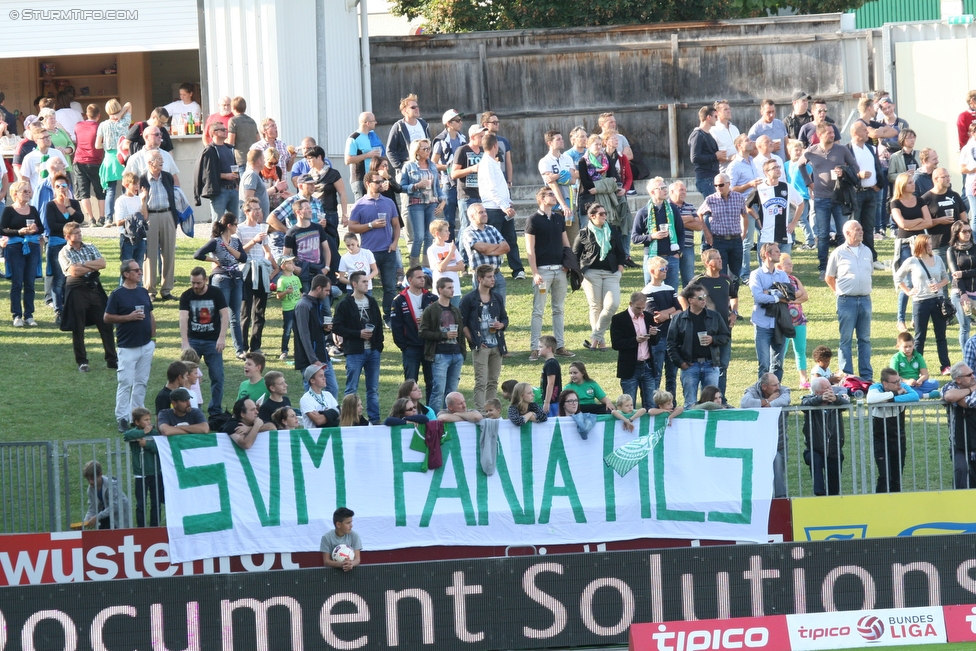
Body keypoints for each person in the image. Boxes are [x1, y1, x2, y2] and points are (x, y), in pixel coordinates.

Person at [799, 121, 859, 280]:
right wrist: (809, 183)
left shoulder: (842, 150)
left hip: (840, 197)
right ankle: (823, 268)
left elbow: (855, 167)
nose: (833, 135)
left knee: (842, 233)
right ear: (819, 135)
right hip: (820, 198)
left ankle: (841, 266)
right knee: (823, 234)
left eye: (833, 132)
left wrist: (844, 172)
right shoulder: (811, 151)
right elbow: (800, 166)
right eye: (829, 133)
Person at [57, 222, 117, 372]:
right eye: (75, 233)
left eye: (79, 232)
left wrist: (82, 264)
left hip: (94, 287)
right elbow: (74, 272)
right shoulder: (64, 252)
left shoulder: (90, 246)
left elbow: (102, 263)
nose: (79, 234)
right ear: (67, 237)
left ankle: (112, 359)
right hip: (76, 289)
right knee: (78, 327)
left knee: (105, 323)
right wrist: (91, 265)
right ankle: (82, 361)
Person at [104, 259, 155, 432]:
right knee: (125, 383)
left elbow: (150, 313)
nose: (140, 272)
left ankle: (138, 416)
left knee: (141, 382)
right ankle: (122, 418)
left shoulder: (142, 291)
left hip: (146, 345)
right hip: (127, 347)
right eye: (137, 270)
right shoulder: (117, 294)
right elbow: (107, 317)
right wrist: (128, 317)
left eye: (140, 270)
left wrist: (153, 336)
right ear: (126, 274)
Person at [894, 234, 951, 376]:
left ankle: (945, 366)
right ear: (921, 245)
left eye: (931, 243)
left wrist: (938, 285)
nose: (930, 246)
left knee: (941, 335)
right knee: (920, 336)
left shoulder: (937, 259)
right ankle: (917, 367)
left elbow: (946, 277)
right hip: (920, 302)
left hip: (937, 300)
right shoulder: (912, 261)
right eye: (927, 244)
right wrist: (907, 291)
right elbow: (898, 277)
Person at [526, 187, 573, 358]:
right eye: (551, 195)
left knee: (558, 309)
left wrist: (568, 264)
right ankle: (534, 347)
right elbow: (530, 249)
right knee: (538, 310)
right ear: (541, 199)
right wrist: (535, 272)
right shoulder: (533, 220)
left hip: (559, 270)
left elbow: (565, 243)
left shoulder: (558, 218)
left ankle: (559, 346)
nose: (554, 197)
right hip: (543, 272)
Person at [347, 171, 400, 321]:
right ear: (367, 184)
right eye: (377, 182)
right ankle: (365, 315)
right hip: (368, 253)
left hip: (388, 251)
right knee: (366, 285)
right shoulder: (360, 204)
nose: (381, 184)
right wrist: (371, 225)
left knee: (390, 287)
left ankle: (387, 316)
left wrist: (395, 242)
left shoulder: (389, 202)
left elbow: (396, 225)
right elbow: (352, 227)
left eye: (382, 181)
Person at [686, 249, 739, 401]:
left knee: (723, 365)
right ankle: (703, 400)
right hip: (705, 331)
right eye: (716, 258)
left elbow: (734, 296)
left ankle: (720, 400)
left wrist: (734, 313)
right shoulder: (699, 280)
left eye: (720, 257)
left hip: (724, 330)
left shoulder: (726, 279)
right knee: (709, 367)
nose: (721, 260)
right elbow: (684, 296)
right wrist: (688, 314)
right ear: (707, 263)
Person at [826, 220, 874, 381]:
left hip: (865, 300)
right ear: (848, 233)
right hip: (846, 301)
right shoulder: (838, 253)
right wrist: (838, 292)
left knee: (865, 339)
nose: (861, 231)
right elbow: (829, 277)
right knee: (845, 339)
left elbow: (869, 273)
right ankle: (848, 375)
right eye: (857, 229)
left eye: (861, 229)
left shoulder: (867, 251)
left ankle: (866, 375)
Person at [333, 271, 384, 424]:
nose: (367, 284)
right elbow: (337, 327)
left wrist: (378, 345)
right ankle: (349, 419)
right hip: (355, 351)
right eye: (363, 282)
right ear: (354, 284)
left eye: (367, 282)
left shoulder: (372, 301)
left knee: (373, 389)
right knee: (351, 388)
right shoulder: (345, 304)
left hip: (373, 350)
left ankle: (375, 420)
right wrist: (358, 334)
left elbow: (379, 325)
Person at [668, 282, 730, 407]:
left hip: (710, 364)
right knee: (690, 403)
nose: (704, 300)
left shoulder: (714, 316)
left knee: (712, 403)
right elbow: (671, 344)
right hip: (690, 365)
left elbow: (725, 336)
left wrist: (713, 339)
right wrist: (681, 363)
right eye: (700, 297)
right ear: (690, 300)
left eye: (705, 296)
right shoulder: (679, 319)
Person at [179, 267, 230, 416]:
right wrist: (185, 342)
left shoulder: (216, 293)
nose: (195, 286)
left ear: (206, 280)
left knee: (217, 376)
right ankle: (190, 407)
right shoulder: (186, 295)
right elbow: (183, 318)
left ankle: (215, 410)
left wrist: (221, 338)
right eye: (193, 283)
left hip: (212, 341)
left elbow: (225, 315)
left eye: (198, 283)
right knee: (185, 376)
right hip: (193, 340)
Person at [575, 203, 626, 351]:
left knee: (612, 305)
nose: (604, 216)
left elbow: (621, 253)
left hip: (611, 273)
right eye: (601, 214)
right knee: (596, 307)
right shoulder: (584, 233)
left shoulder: (612, 230)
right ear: (592, 216)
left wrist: (619, 272)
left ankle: (595, 337)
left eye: (605, 213)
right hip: (591, 273)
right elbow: (575, 254)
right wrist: (580, 273)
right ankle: (601, 342)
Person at [194, 213, 246, 359]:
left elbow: (243, 258)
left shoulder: (235, 241)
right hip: (221, 279)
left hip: (235, 278)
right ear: (229, 225)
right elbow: (197, 254)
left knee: (235, 315)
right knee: (218, 314)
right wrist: (213, 260)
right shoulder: (215, 242)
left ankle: (239, 350)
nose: (237, 227)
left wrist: (229, 248)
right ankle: (213, 346)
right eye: (236, 224)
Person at [460, 264, 508, 411]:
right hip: (481, 347)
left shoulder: (497, 297)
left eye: (493, 276)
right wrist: (475, 342)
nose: (493, 279)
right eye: (489, 277)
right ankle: (480, 411)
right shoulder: (469, 299)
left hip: (496, 345)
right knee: (481, 381)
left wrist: (502, 325)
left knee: (493, 381)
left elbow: (505, 318)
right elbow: (462, 324)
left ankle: (491, 411)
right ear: (480, 279)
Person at [890, 172, 933, 332]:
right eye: (909, 183)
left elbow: (928, 221)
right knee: (907, 283)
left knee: (921, 280)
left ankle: (916, 317)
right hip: (905, 244)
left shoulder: (920, 200)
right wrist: (918, 221)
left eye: (913, 182)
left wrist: (912, 224)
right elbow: (902, 224)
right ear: (902, 185)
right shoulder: (895, 203)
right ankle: (900, 319)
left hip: (921, 243)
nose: (913, 184)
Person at [479, 134, 525, 281]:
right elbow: (492, 189)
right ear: (495, 146)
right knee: (493, 242)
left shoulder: (493, 162)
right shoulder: (486, 163)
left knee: (511, 239)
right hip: (493, 208)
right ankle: (492, 269)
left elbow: (501, 187)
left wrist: (508, 201)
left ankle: (517, 269)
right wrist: (504, 205)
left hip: (502, 206)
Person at [866, 368, 918, 493]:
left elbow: (915, 396)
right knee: (884, 476)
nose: (899, 384)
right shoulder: (875, 387)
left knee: (896, 476)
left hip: (899, 439)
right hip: (880, 440)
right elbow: (870, 399)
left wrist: (891, 400)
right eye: (895, 382)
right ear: (885, 384)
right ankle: (880, 504)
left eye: (899, 380)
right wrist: (896, 394)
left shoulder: (902, 386)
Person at [420, 277, 467, 413]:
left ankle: (450, 419)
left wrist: (462, 352)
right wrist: (443, 335)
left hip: (456, 354)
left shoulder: (456, 310)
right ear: (440, 290)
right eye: (449, 288)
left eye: (453, 287)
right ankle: (433, 420)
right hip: (440, 354)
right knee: (438, 391)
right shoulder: (431, 310)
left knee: (452, 392)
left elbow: (461, 333)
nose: (452, 290)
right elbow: (423, 332)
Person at [740, 373, 791, 498]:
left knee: (779, 469)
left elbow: (785, 399)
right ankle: (778, 497)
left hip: (779, 442)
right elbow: (745, 403)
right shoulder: (752, 391)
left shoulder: (783, 390)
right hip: (760, 443)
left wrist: (767, 406)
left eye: (778, 383)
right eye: (774, 385)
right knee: (765, 471)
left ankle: (778, 499)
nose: (778, 387)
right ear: (764, 386)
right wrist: (767, 401)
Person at [236, 198, 276, 353]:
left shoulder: (262, 228)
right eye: (254, 209)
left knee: (260, 311)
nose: (258, 212)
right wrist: (254, 240)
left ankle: (256, 346)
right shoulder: (239, 229)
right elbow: (239, 253)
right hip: (246, 271)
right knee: (245, 311)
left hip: (260, 270)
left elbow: (267, 251)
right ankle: (243, 346)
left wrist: (269, 264)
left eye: (259, 208)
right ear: (246, 212)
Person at [140, 150, 180, 302]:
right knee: (149, 254)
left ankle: (167, 289)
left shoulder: (167, 177)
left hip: (167, 214)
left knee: (169, 252)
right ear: (150, 163)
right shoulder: (143, 179)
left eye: (162, 159)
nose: (162, 161)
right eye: (158, 159)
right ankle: (150, 290)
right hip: (150, 216)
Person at [391, 266, 437, 399]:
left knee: (432, 382)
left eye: (423, 277)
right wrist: (404, 345)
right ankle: (409, 411)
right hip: (410, 347)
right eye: (419, 277)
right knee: (410, 384)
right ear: (410, 280)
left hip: (429, 346)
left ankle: (431, 414)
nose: (423, 279)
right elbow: (396, 326)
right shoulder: (399, 300)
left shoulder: (432, 298)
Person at [43, 174, 83, 323]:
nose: (61, 189)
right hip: (56, 245)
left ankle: (70, 307)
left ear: (68, 187)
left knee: (71, 279)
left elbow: (79, 220)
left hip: (73, 246)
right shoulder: (50, 205)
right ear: (54, 188)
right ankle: (59, 311)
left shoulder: (73, 203)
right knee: (59, 279)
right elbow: (52, 226)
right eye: (58, 186)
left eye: (64, 186)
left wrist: (68, 207)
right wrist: (70, 229)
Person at [610, 292, 660, 410]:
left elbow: (655, 342)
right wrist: (635, 340)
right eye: (638, 308)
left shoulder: (648, 316)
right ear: (630, 303)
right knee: (628, 404)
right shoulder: (619, 319)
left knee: (651, 403)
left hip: (647, 365)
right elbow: (616, 344)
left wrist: (654, 334)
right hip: (630, 367)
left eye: (643, 308)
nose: (641, 311)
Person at [399, 139, 445, 268]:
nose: (428, 151)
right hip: (416, 203)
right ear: (417, 151)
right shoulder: (409, 166)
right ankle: (414, 267)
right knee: (418, 236)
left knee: (429, 236)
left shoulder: (433, 165)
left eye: (429, 148)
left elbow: (438, 187)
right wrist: (416, 185)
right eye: (425, 149)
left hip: (432, 203)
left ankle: (426, 266)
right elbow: (402, 187)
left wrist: (443, 201)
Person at [846, 122, 886, 269]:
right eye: (864, 130)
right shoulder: (847, 150)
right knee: (854, 227)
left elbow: (877, 167)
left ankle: (871, 258)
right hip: (856, 193)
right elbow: (844, 172)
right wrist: (858, 175)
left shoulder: (871, 148)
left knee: (869, 228)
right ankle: (853, 257)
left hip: (871, 193)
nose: (867, 132)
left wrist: (877, 185)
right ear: (855, 133)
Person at [632, 177, 685, 288]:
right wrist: (652, 236)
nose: (665, 190)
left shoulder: (672, 209)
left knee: (672, 291)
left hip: (671, 257)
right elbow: (635, 238)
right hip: (652, 258)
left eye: (665, 187)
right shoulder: (643, 212)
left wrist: (678, 252)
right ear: (652, 192)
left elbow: (681, 232)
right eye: (661, 188)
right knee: (651, 291)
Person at [749, 242, 791, 381]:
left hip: (779, 323)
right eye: (776, 251)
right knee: (764, 364)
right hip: (762, 324)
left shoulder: (782, 275)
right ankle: (763, 394)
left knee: (778, 364)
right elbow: (759, 297)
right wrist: (777, 296)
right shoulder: (756, 274)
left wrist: (770, 292)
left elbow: (789, 295)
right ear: (767, 254)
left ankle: (776, 393)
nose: (780, 253)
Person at [801, 377, 849, 497]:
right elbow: (804, 404)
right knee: (815, 460)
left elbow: (846, 404)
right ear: (817, 392)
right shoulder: (809, 399)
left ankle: (833, 501)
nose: (830, 389)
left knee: (834, 488)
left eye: (830, 386)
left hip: (834, 450)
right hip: (815, 449)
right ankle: (819, 493)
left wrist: (836, 399)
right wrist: (820, 399)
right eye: (826, 388)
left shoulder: (836, 400)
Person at [293, 274, 338, 398]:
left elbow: (314, 331)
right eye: (327, 290)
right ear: (319, 288)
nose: (328, 293)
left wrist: (325, 329)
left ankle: (329, 416)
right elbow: (304, 335)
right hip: (310, 360)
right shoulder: (303, 305)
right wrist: (313, 360)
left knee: (332, 389)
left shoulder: (317, 303)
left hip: (322, 356)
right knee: (313, 395)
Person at [697, 173, 749, 278]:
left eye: (721, 185)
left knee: (735, 274)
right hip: (719, 240)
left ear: (728, 184)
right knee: (721, 273)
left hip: (736, 240)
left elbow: (744, 215)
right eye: (715, 185)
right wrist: (707, 233)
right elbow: (699, 214)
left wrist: (743, 233)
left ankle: (733, 294)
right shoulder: (710, 199)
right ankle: (723, 294)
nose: (718, 187)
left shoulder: (738, 197)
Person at [643, 256, 680, 396]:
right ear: (652, 271)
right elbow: (656, 317)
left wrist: (669, 314)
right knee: (656, 375)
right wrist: (672, 311)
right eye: (662, 269)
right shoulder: (647, 291)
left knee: (672, 376)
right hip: (658, 338)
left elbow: (681, 310)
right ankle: (657, 403)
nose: (666, 271)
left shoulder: (670, 289)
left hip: (673, 338)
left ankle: (671, 402)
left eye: (666, 269)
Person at [750, 159, 803, 256]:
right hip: (766, 236)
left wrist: (794, 222)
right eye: (774, 168)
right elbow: (747, 206)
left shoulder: (787, 187)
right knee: (766, 268)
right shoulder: (760, 188)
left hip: (784, 234)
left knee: (783, 267)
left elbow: (801, 203)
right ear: (766, 172)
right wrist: (757, 218)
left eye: (778, 167)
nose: (778, 169)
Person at [460, 203, 509, 304]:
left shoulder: (492, 229)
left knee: (500, 310)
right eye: (480, 212)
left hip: (497, 274)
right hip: (480, 277)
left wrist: (488, 249)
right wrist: (497, 246)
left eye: (485, 212)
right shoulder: (468, 232)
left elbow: (506, 247)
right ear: (472, 216)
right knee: (482, 309)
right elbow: (481, 248)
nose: (485, 214)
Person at [123, 407, 163, 527]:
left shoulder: (155, 433)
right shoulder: (135, 433)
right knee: (141, 503)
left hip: (156, 472)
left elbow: (160, 449)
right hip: (140, 473)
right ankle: (141, 528)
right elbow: (126, 435)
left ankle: (155, 526)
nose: (149, 422)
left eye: (149, 419)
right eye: (145, 420)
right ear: (137, 422)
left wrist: (147, 445)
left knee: (156, 502)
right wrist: (143, 433)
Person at [282, 197, 331, 294]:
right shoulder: (291, 233)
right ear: (298, 212)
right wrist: (296, 269)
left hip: (319, 270)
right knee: (307, 300)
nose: (310, 210)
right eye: (306, 208)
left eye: (310, 208)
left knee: (325, 304)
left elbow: (326, 249)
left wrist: (327, 268)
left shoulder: (318, 228)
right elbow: (285, 256)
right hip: (303, 272)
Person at [775, 254, 810, 389]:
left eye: (791, 263)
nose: (791, 266)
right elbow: (782, 297)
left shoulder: (794, 279)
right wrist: (795, 296)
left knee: (800, 349)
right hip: (784, 321)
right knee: (781, 350)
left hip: (799, 320)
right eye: (788, 264)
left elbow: (805, 295)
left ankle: (803, 379)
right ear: (779, 266)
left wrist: (792, 300)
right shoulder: (778, 280)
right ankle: (777, 379)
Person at [538, 129, 579, 242]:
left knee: (573, 238)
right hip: (554, 204)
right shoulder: (544, 161)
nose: (562, 141)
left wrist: (556, 176)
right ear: (549, 143)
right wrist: (563, 205)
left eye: (562, 139)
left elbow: (573, 180)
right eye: (558, 139)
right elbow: (552, 185)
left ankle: (572, 259)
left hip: (570, 201)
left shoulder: (568, 159)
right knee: (556, 239)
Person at [194, 121, 239, 221]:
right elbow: (207, 173)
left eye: (226, 129)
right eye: (222, 130)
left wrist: (237, 185)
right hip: (220, 191)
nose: (225, 132)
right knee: (217, 222)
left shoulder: (229, 148)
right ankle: (215, 237)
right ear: (214, 132)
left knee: (235, 222)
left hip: (233, 189)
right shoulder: (210, 150)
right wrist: (225, 176)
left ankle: (233, 237)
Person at [922, 167, 968, 265]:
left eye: (948, 176)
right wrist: (939, 221)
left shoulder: (955, 195)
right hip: (938, 244)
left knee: (958, 275)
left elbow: (964, 218)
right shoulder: (926, 199)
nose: (948, 179)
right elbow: (923, 223)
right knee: (940, 276)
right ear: (935, 179)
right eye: (944, 177)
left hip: (957, 243)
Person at [940, 362, 976, 489]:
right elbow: (949, 396)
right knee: (961, 475)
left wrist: (960, 396)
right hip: (959, 444)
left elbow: (970, 403)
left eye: (972, 373)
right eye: (969, 375)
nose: (973, 376)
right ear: (958, 380)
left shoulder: (957, 387)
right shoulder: (949, 386)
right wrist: (971, 390)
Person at [430, 109, 465, 239]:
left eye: (460, 120)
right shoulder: (441, 141)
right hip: (448, 184)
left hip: (462, 183)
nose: (460, 122)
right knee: (449, 220)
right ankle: (449, 247)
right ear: (448, 123)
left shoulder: (463, 139)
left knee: (465, 219)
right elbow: (432, 164)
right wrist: (450, 167)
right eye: (457, 120)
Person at [72, 104, 106, 226]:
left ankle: (91, 218)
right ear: (99, 115)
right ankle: (102, 217)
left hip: (79, 161)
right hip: (96, 161)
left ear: (86, 114)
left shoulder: (78, 125)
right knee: (100, 191)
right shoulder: (100, 126)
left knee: (83, 192)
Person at [451, 124, 487, 240]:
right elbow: (454, 174)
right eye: (481, 136)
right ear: (472, 137)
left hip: (481, 193)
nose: (483, 138)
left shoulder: (484, 151)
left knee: (480, 225)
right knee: (466, 226)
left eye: (484, 136)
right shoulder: (462, 150)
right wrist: (471, 169)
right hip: (466, 194)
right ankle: (461, 255)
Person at [346, 111, 386, 200]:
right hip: (360, 179)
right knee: (363, 206)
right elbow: (348, 160)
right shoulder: (354, 138)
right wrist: (367, 155)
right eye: (374, 121)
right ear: (368, 123)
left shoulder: (373, 136)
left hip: (374, 178)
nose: (376, 122)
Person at [688, 105, 726, 198]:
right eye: (715, 116)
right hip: (705, 178)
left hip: (713, 177)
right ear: (708, 117)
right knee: (712, 208)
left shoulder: (708, 134)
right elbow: (695, 157)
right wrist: (715, 156)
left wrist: (719, 157)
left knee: (716, 207)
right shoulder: (698, 135)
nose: (717, 119)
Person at [890, 331, 941, 399]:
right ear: (898, 347)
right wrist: (907, 381)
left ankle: (915, 393)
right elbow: (894, 378)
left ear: (913, 345)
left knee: (935, 383)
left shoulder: (918, 356)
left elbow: (925, 374)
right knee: (899, 388)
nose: (908, 349)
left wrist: (920, 380)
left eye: (910, 346)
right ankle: (925, 395)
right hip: (902, 383)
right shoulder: (895, 358)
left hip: (916, 383)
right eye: (905, 347)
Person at [949, 221, 976, 347]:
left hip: (974, 291)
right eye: (964, 231)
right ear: (957, 233)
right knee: (965, 326)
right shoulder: (952, 251)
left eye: (969, 231)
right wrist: (963, 294)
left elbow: (960, 274)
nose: (967, 234)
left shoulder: (975, 248)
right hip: (959, 292)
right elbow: (955, 275)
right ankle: (967, 357)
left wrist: (963, 273)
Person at [670, 180, 702, 287]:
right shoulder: (666, 207)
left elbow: (699, 226)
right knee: (671, 278)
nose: (684, 192)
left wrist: (677, 221)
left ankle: (688, 302)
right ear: (672, 192)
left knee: (689, 280)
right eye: (681, 190)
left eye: (685, 190)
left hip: (688, 247)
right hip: (670, 248)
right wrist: (690, 218)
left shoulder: (690, 207)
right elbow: (669, 223)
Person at [427, 219, 465, 307]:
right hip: (440, 290)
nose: (449, 233)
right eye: (446, 231)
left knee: (455, 314)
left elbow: (461, 266)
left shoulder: (450, 246)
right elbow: (440, 268)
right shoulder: (432, 249)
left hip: (455, 289)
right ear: (437, 234)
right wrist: (451, 253)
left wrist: (446, 268)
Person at [83, 461, 130, 530]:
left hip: (119, 515)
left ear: (100, 475)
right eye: (88, 479)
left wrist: (97, 517)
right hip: (104, 515)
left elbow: (114, 507)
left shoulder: (111, 486)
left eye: (93, 479)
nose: (90, 482)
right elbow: (92, 508)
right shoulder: (90, 490)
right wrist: (85, 523)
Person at [275, 256, 302, 361]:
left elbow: (299, 292)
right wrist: (286, 292)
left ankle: (298, 351)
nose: (292, 265)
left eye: (292, 263)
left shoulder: (296, 278)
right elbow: (278, 296)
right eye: (289, 263)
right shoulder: (281, 280)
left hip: (297, 307)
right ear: (283, 266)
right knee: (287, 330)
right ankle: (284, 351)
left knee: (298, 331)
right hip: (288, 309)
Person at [300, 362, 340, 430]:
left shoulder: (328, 395)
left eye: (324, 375)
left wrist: (321, 414)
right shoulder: (306, 399)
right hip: (314, 436)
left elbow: (340, 415)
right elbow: (318, 421)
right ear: (312, 380)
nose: (324, 378)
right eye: (321, 376)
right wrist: (333, 413)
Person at [321, 507, 362, 572]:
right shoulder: (326, 537)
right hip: (332, 574)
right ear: (338, 524)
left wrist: (351, 564)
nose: (351, 525)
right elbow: (326, 561)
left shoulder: (354, 536)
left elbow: (357, 559)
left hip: (351, 573)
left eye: (351, 522)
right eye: (348, 523)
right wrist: (341, 564)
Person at [227, 97, 259, 168]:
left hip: (241, 159)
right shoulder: (252, 121)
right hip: (254, 159)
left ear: (233, 108)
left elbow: (230, 142)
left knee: (243, 178)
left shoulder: (233, 121)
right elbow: (258, 140)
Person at [711, 100, 740, 174]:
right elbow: (712, 155)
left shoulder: (734, 128)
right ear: (717, 113)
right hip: (724, 170)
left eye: (729, 109)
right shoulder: (713, 131)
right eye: (725, 109)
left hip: (739, 167)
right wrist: (729, 158)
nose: (729, 111)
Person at [537, 335, 562, 415]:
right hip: (551, 401)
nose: (538, 349)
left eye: (541, 347)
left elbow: (550, 383)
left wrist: (547, 402)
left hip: (552, 402)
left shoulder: (551, 363)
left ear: (549, 349)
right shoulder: (550, 363)